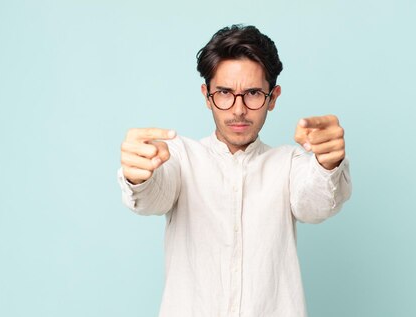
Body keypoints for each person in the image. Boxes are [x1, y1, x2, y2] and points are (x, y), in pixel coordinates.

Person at [118, 24, 352, 317]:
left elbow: (315, 204)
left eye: (253, 93)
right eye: (225, 93)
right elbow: (154, 196)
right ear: (207, 96)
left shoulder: (289, 163)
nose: (238, 109)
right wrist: (139, 176)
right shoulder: (180, 157)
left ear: (273, 97)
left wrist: (327, 163)